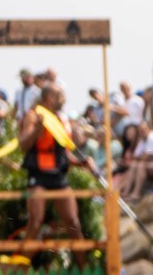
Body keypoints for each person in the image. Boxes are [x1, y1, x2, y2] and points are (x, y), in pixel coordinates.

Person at [17, 83, 98, 240]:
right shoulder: (33, 115)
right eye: (60, 95)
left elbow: (63, 153)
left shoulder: (60, 119)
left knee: (73, 222)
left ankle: (83, 265)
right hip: (39, 175)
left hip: (58, 176)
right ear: (49, 97)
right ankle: (21, 264)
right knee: (36, 222)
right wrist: (37, 128)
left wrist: (79, 162)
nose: (64, 99)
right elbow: (23, 145)